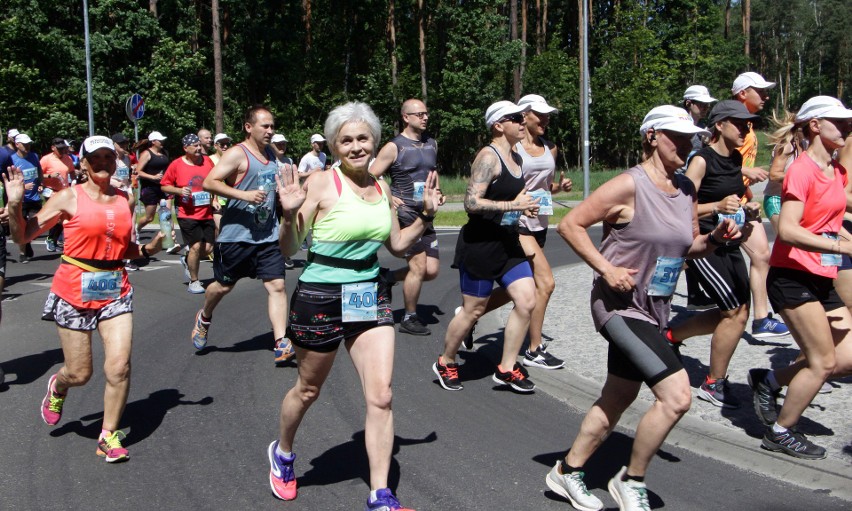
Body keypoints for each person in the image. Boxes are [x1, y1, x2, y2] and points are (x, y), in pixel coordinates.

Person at [552, 105, 738, 511]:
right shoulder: (628, 185)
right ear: (652, 135)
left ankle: (567, 471)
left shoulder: (685, 189)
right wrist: (606, 267)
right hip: (619, 307)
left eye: (691, 138)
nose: (687, 144)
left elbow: (689, 247)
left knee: (617, 396)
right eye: (678, 136)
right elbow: (571, 225)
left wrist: (719, 237)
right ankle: (630, 480)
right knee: (676, 397)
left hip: (656, 307)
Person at [270, 101, 435, 510]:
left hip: (366, 292)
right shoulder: (322, 183)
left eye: (363, 138)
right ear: (334, 145)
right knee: (308, 390)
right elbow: (290, 248)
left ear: (375, 142)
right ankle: (283, 452)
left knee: (380, 396)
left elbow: (396, 246)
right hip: (320, 298)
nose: (356, 146)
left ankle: (381, 494)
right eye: (346, 140)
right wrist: (289, 216)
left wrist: (426, 217)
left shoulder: (381, 188)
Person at [4, 135, 165, 462]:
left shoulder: (125, 199)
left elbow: (126, 248)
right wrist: (15, 204)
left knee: (119, 367)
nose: (103, 163)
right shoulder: (67, 198)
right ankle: (59, 387)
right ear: (83, 163)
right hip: (74, 288)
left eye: (109, 157)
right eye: (96, 158)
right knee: (80, 373)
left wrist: (147, 250)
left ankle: (108, 435)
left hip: (115, 287)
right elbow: (22, 236)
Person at [747, 97, 852, 460]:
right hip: (792, 277)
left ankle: (770, 381)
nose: (847, 127)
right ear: (815, 126)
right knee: (822, 361)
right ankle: (781, 431)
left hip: (821, 276)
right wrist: (839, 247)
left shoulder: (837, 171)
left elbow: (830, 223)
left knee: (846, 357)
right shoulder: (801, 170)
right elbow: (789, 231)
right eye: (839, 122)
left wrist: (844, 241)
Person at [432, 100, 539, 393]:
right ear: (498, 125)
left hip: (507, 242)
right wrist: (512, 204)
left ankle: (506, 368)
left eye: (523, 116)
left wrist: (524, 208)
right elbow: (470, 202)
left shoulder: (516, 158)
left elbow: (513, 197)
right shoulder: (488, 157)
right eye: (515, 117)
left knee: (527, 300)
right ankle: (446, 360)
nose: (523, 121)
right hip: (480, 244)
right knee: (473, 310)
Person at [666, 100, 762, 409]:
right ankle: (713, 383)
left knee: (737, 311)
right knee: (734, 312)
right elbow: (681, 205)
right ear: (719, 125)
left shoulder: (735, 158)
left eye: (749, 124)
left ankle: (670, 336)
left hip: (730, 239)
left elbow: (736, 195)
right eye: (740, 123)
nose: (746, 129)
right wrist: (716, 207)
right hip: (704, 241)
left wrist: (749, 207)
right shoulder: (701, 160)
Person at [191, 105, 294, 365]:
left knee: (277, 285)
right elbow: (210, 182)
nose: (270, 131)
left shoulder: (271, 154)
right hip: (236, 236)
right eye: (265, 126)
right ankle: (204, 316)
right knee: (223, 286)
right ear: (249, 127)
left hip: (267, 236)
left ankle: (281, 342)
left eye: (272, 126)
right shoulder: (238, 153)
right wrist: (244, 195)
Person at [370, 98, 444, 336]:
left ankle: (388, 277)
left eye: (426, 113)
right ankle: (409, 317)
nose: (425, 117)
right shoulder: (395, 146)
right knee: (418, 265)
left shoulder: (431, 143)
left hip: (426, 212)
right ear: (406, 117)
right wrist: (390, 197)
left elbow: (433, 173)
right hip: (405, 214)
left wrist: (438, 192)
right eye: (419, 114)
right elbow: (371, 176)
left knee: (431, 271)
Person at [732, 72, 789, 338]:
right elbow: (708, 160)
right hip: (721, 204)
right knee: (686, 255)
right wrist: (745, 171)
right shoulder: (729, 121)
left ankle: (761, 319)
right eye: (760, 91)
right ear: (743, 93)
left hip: (740, 200)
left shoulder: (749, 125)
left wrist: (748, 193)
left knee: (761, 256)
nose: (765, 96)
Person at [160, 134, 216, 293]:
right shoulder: (176, 164)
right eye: (195, 146)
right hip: (187, 213)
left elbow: (214, 181)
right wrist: (178, 190)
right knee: (196, 246)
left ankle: (187, 259)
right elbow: (164, 186)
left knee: (208, 249)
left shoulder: (207, 162)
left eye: (199, 145)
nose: (199, 148)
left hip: (206, 212)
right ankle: (194, 281)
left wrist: (215, 199)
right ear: (185, 148)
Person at [682, 85, 718, 310]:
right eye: (700, 104)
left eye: (706, 105)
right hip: (678, 188)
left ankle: (695, 294)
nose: (704, 108)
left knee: (690, 240)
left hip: (691, 188)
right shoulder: (682, 126)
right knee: (681, 244)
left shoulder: (700, 129)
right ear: (688, 103)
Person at [0, 133, 42, 263]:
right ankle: (23, 252)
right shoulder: (11, 159)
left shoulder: (34, 156)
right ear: (17, 145)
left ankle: (27, 242)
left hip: (34, 198)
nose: (27, 146)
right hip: (21, 200)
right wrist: (23, 186)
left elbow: (39, 171)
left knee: (36, 224)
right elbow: (9, 180)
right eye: (24, 144)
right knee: (21, 225)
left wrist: (40, 183)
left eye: (29, 144)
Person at [135, 131, 179, 251]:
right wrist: (153, 177)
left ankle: (171, 241)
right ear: (153, 142)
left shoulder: (165, 153)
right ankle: (136, 229)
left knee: (167, 214)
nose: (162, 142)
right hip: (149, 188)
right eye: (160, 140)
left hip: (163, 187)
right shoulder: (147, 153)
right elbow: (138, 171)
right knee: (149, 217)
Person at [40, 137, 75, 252]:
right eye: (59, 149)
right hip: (50, 191)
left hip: (64, 191)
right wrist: (49, 176)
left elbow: (72, 172)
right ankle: (51, 239)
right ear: (53, 148)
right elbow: (39, 174)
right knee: (57, 216)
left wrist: (75, 182)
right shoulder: (46, 159)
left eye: (63, 148)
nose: (62, 151)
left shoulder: (67, 158)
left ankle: (53, 239)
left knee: (64, 216)